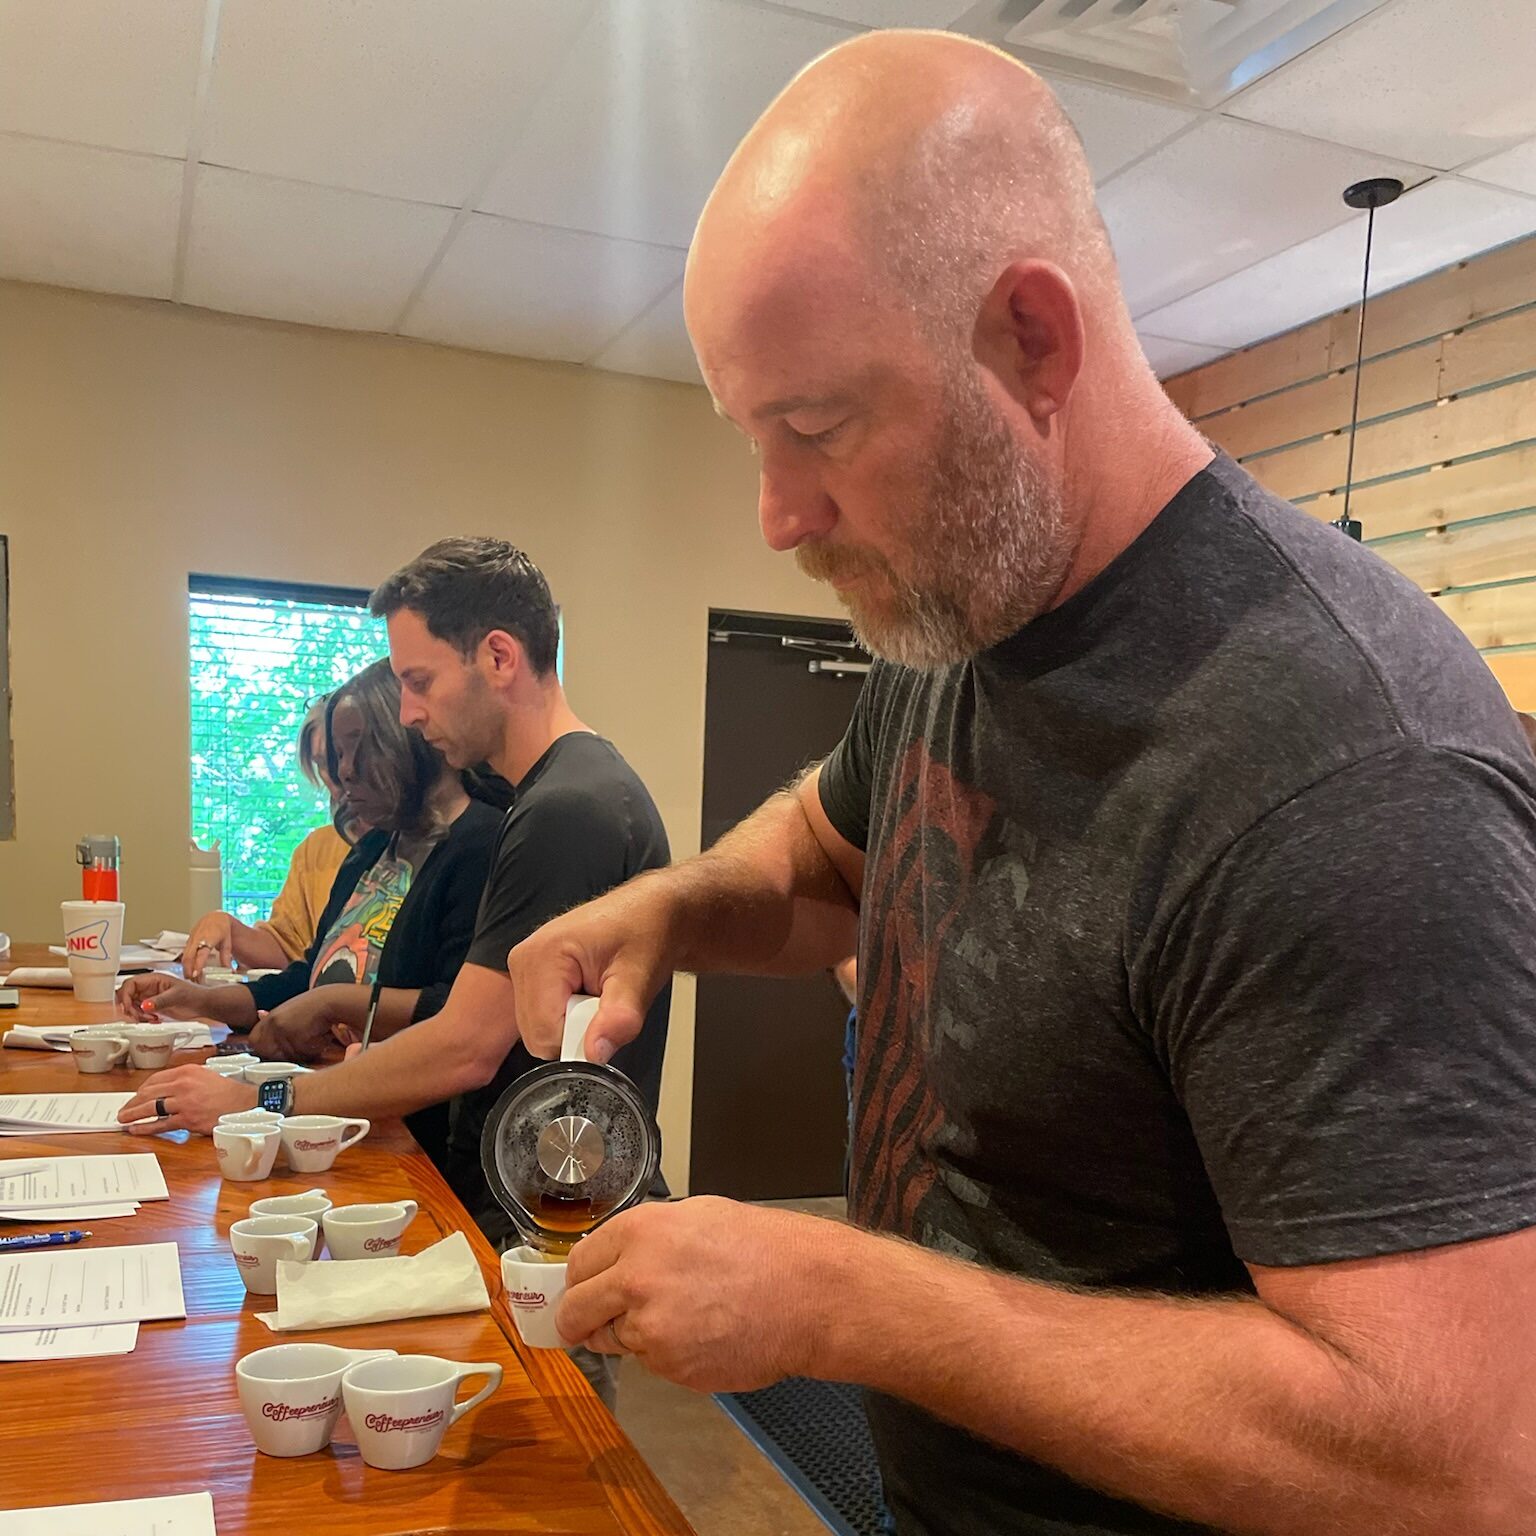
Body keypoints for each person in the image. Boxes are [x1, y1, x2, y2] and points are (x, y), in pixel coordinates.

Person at [451, 32, 1532, 1536]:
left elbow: (1454, 1462)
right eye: (753, 438)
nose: (776, 515)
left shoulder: (1347, 773)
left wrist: (850, 1305)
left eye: (816, 428)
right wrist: (671, 909)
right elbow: (830, 858)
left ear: (1033, 339)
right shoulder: (956, 615)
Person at [119, 540, 672, 1263]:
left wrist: (265, 1101)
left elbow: (466, 1046)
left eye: (420, 681)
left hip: (548, 1220)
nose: (407, 712)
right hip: (519, 1198)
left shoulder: (568, 811)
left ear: (499, 658)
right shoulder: (549, 796)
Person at [120, 659, 503, 1163]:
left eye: (359, 750)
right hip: (346, 1115)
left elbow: (458, 1015)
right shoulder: (374, 849)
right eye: (340, 755)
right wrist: (201, 1000)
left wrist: (335, 1003)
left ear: (407, 737)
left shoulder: (481, 846)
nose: (344, 772)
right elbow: (310, 976)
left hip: (418, 1141)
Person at [181, 696, 355, 981]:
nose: (337, 776)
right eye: (323, 763)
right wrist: (228, 926)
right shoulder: (316, 850)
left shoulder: (419, 847)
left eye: (342, 756)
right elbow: (288, 952)